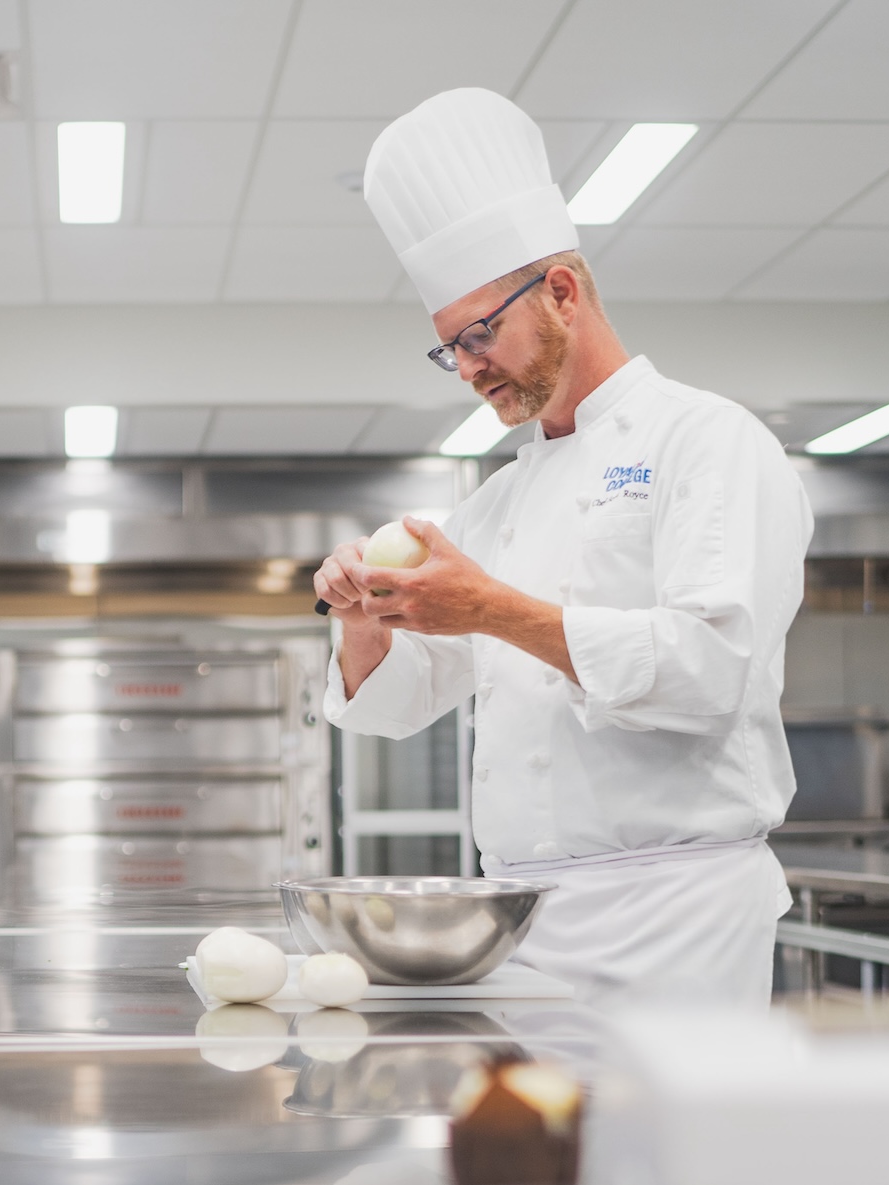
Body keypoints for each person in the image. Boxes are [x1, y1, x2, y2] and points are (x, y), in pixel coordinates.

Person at [315, 87, 810, 1009]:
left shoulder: (709, 441)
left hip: (676, 915)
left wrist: (493, 608)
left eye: (477, 334)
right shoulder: (501, 499)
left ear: (562, 291)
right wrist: (363, 619)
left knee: (665, 1154)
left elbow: (713, 669)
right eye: (448, 350)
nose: (466, 368)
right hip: (519, 920)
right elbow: (399, 704)